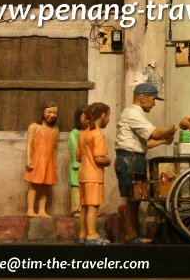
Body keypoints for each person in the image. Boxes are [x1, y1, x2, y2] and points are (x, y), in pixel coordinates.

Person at [115, 82, 176, 244]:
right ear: (142, 98)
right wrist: (171, 127)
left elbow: (145, 143)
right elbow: (154, 133)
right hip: (130, 159)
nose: (154, 103)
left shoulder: (136, 114)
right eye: (153, 99)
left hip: (134, 157)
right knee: (132, 199)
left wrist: (163, 141)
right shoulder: (133, 113)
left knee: (135, 199)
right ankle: (130, 235)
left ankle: (134, 233)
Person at [79, 102, 112, 245]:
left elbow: (79, 156)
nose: (108, 119)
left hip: (83, 174)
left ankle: (83, 234)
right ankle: (92, 234)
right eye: (108, 116)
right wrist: (109, 161)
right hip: (93, 176)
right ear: (103, 115)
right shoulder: (98, 134)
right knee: (93, 206)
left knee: (84, 206)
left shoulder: (83, 133)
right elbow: (99, 158)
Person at [24, 101, 59, 217]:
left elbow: (54, 149)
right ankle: (30, 209)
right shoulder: (34, 127)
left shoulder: (55, 130)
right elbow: (29, 144)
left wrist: (54, 164)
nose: (52, 115)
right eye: (49, 112)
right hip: (37, 160)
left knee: (46, 187)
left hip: (49, 161)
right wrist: (28, 159)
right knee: (34, 185)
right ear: (42, 112)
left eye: (55, 112)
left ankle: (42, 210)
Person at [67, 104, 87, 219]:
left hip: (87, 166)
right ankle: (77, 209)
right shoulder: (74, 133)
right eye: (84, 116)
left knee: (86, 188)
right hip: (78, 165)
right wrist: (79, 161)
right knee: (76, 188)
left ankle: (85, 208)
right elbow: (75, 149)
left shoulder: (88, 132)